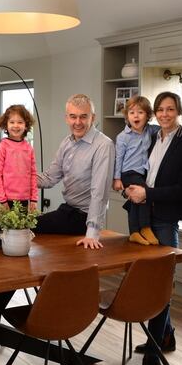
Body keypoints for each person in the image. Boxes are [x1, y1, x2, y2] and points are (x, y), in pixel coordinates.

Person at [124, 91, 182, 365]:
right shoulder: (151, 136)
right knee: (147, 280)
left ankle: (153, 357)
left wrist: (149, 193)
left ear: (179, 111)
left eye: (170, 109)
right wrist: (131, 187)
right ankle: (165, 336)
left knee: (162, 285)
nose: (165, 114)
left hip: (166, 218)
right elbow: (137, 168)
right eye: (160, 110)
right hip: (142, 213)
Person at [35, 94, 115, 249]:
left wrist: (91, 234)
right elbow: (50, 178)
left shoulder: (104, 145)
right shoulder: (67, 142)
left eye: (83, 117)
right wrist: (18, 178)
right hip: (67, 211)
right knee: (20, 223)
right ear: (66, 118)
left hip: (83, 219)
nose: (78, 122)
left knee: (26, 226)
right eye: (73, 117)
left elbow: (99, 192)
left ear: (93, 117)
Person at [113, 95, 160, 246]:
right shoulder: (122, 137)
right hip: (128, 173)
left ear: (148, 116)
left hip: (142, 174)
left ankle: (134, 232)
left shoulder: (151, 131)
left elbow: (166, 128)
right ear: (127, 116)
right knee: (144, 193)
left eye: (140, 112)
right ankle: (145, 227)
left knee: (134, 201)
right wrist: (117, 178)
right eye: (132, 112)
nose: (136, 116)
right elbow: (118, 159)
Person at [0, 105, 38, 212]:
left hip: (25, 200)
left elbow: (33, 174)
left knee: (23, 228)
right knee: (7, 228)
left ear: (26, 125)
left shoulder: (29, 148)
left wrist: (34, 199)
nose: (16, 125)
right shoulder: (2, 147)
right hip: (6, 200)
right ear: (6, 125)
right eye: (12, 122)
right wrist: (2, 200)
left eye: (20, 122)